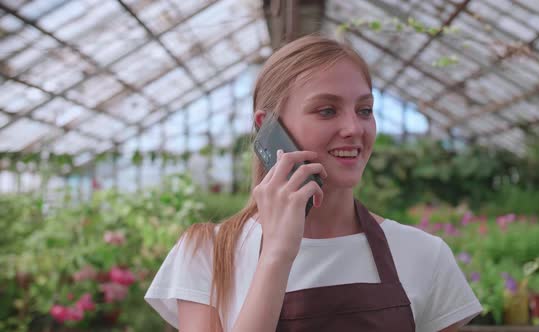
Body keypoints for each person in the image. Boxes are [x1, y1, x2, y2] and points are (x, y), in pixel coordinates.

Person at [145, 34, 482, 332]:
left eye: (364, 110)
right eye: (326, 111)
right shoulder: (207, 254)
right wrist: (277, 255)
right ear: (268, 126)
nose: (353, 128)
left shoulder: (424, 254)